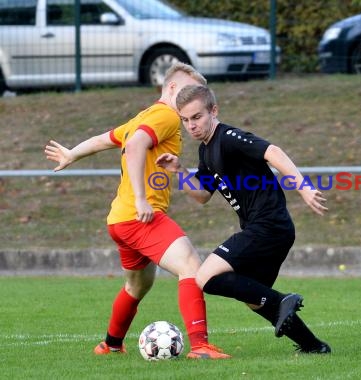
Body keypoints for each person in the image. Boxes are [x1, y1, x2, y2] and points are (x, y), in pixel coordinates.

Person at [44, 63, 230, 359]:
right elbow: (134, 145)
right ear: (171, 88)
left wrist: (72, 153)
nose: (190, 99)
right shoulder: (167, 115)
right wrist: (142, 200)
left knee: (138, 284)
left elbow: (104, 139)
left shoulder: (144, 116)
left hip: (119, 219)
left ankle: (110, 345)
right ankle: (200, 347)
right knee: (191, 266)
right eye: (186, 90)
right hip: (139, 215)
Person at [156, 84, 331, 354]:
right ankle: (313, 346)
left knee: (206, 277)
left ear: (213, 111)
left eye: (197, 117)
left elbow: (273, 152)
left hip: (268, 226)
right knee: (253, 297)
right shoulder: (206, 150)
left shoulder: (228, 138)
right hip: (270, 229)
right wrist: (179, 170)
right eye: (186, 120)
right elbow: (202, 195)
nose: (191, 125)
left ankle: (283, 299)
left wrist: (304, 187)